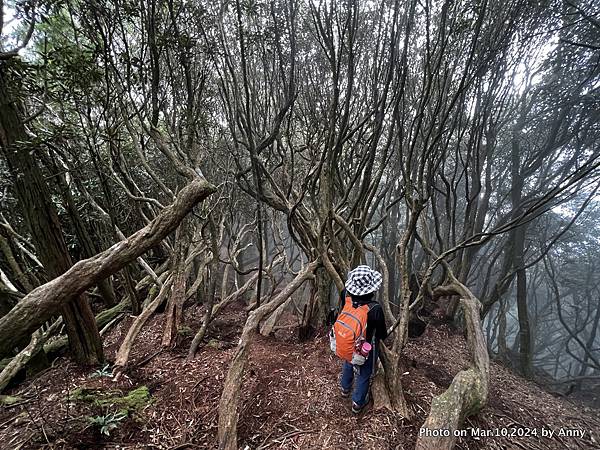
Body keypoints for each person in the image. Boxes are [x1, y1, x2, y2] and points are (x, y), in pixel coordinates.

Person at [338, 265, 387, 414]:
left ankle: (345, 389)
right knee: (364, 373)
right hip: (365, 347)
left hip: (348, 340)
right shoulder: (375, 308)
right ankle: (357, 403)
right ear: (371, 289)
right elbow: (381, 333)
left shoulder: (345, 295)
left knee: (348, 361)